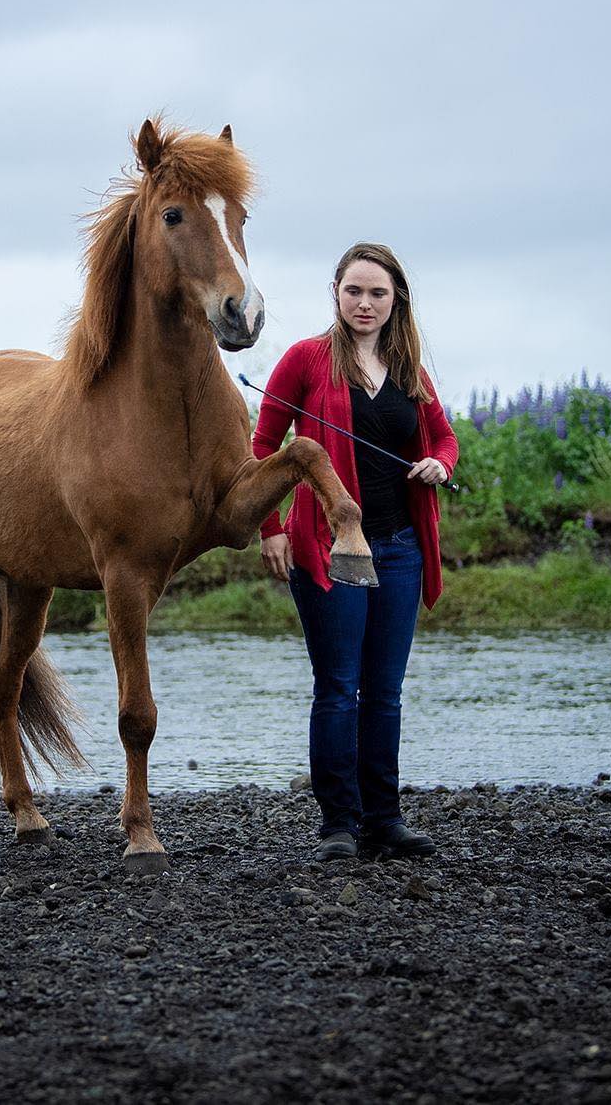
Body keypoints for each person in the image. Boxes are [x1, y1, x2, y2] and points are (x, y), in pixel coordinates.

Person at [252, 242, 458, 861]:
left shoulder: (410, 371)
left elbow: (444, 440)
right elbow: (263, 447)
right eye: (354, 292)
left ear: (397, 301)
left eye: (378, 294)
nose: (364, 304)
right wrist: (273, 527)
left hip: (399, 550)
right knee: (338, 688)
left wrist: (436, 466)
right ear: (336, 294)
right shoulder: (306, 360)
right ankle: (339, 824)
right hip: (329, 546)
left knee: (385, 691)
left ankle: (384, 820)